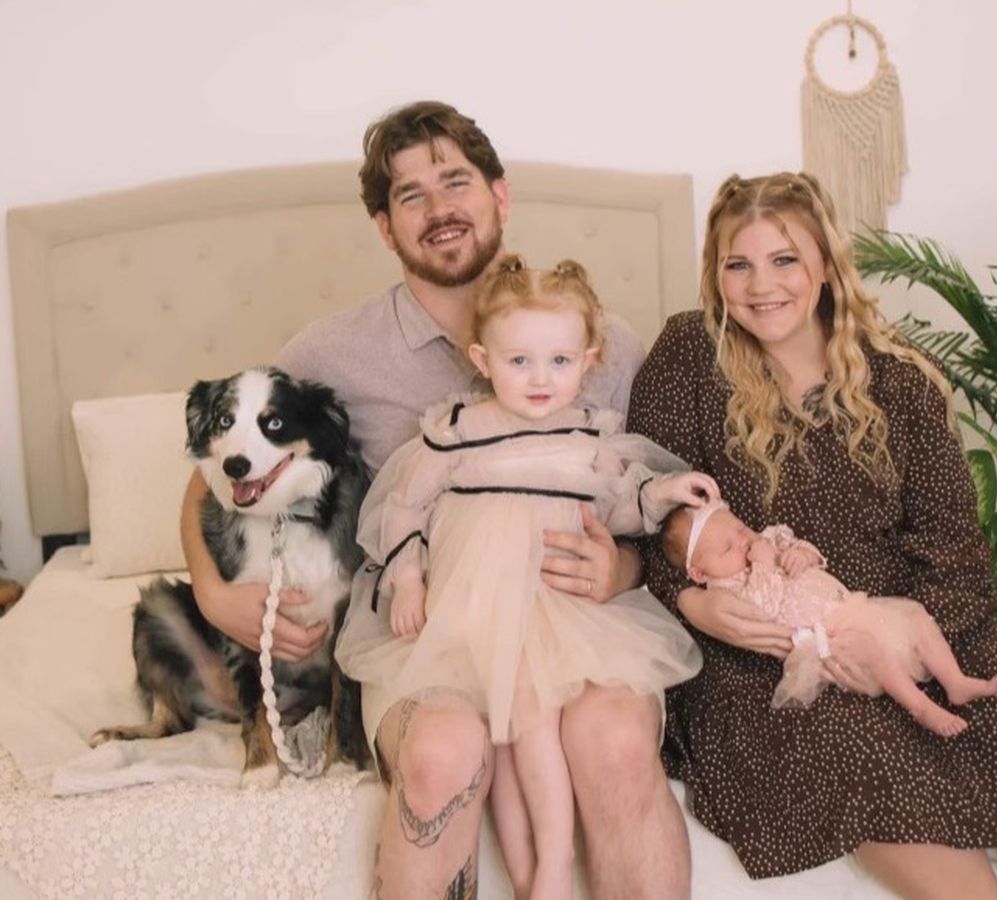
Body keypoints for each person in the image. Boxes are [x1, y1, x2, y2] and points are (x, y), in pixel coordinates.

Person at [179, 101, 692, 899]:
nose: (439, 208)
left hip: (574, 621)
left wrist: (622, 569)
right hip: (427, 632)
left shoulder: (602, 342)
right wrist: (214, 595)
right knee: (442, 752)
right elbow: (211, 474)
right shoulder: (331, 353)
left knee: (616, 742)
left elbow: (649, 495)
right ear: (385, 228)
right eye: (410, 195)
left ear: (499, 194)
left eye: (456, 182)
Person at [629, 171, 997, 900]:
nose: (761, 286)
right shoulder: (687, 356)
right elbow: (644, 513)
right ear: (715, 273)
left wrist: (897, 632)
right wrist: (689, 599)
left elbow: (958, 555)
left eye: (784, 259)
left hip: (914, 621)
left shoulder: (899, 379)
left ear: (825, 264)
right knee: (855, 745)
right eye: (739, 264)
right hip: (767, 653)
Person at [340, 254, 711, 898]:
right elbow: (404, 508)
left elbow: (621, 505)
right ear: (482, 360)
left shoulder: (589, 438)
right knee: (502, 746)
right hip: (472, 611)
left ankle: (551, 869)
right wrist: (408, 579)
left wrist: (665, 491)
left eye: (560, 361)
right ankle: (532, 878)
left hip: (556, 610)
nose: (540, 379)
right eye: (519, 361)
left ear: (589, 361)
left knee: (533, 723)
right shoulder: (456, 430)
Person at [661, 501, 997, 736]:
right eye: (727, 549)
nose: (743, 544)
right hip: (829, 641)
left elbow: (807, 549)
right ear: (700, 572)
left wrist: (802, 554)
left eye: (739, 529)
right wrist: (763, 563)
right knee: (869, 649)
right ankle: (919, 706)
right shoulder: (728, 589)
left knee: (915, 615)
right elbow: (762, 610)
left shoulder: (767, 540)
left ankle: (955, 681)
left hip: (855, 608)